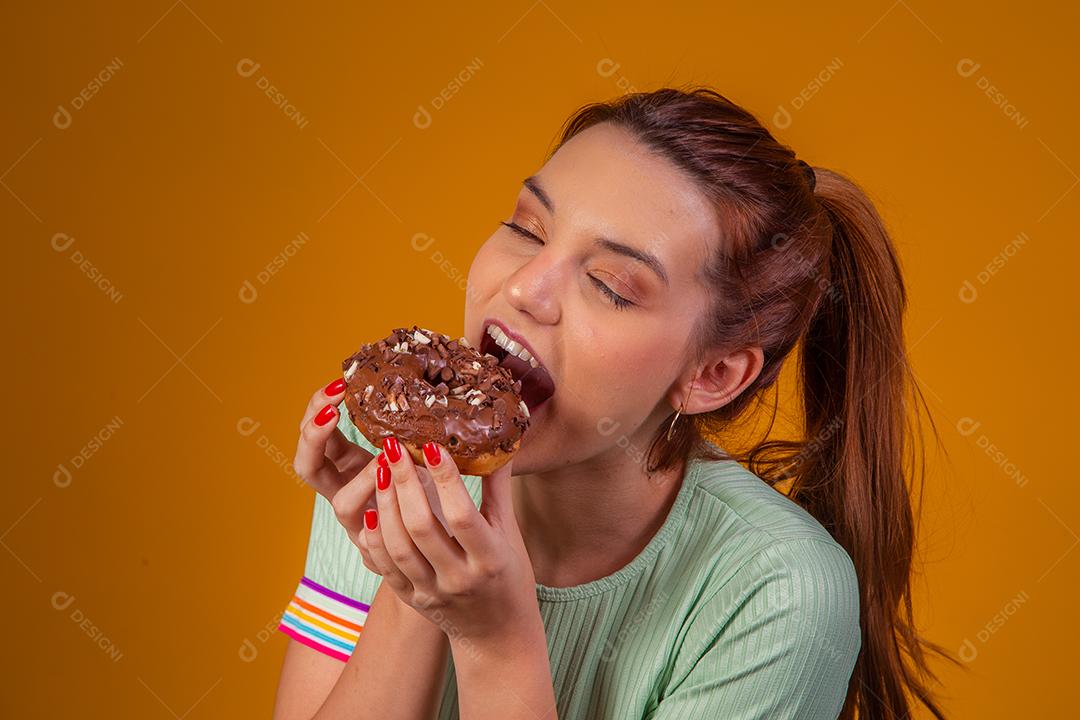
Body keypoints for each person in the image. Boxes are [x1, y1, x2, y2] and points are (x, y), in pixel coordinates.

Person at [272, 87, 949, 720]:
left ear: (711, 374)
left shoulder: (777, 592)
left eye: (609, 285)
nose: (525, 290)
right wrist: (413, 578)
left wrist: (495, 642)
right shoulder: (388, 457)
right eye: (528, 229)